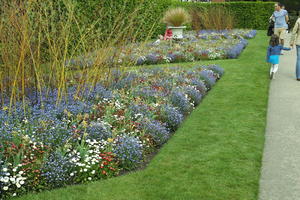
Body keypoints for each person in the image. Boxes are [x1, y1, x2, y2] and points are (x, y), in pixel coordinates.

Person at [290, 14, 300, 81]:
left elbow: (294, 31)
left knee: (299, 59)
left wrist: (292, 41)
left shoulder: (299, 20)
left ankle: (298, 76)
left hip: (299, 41)